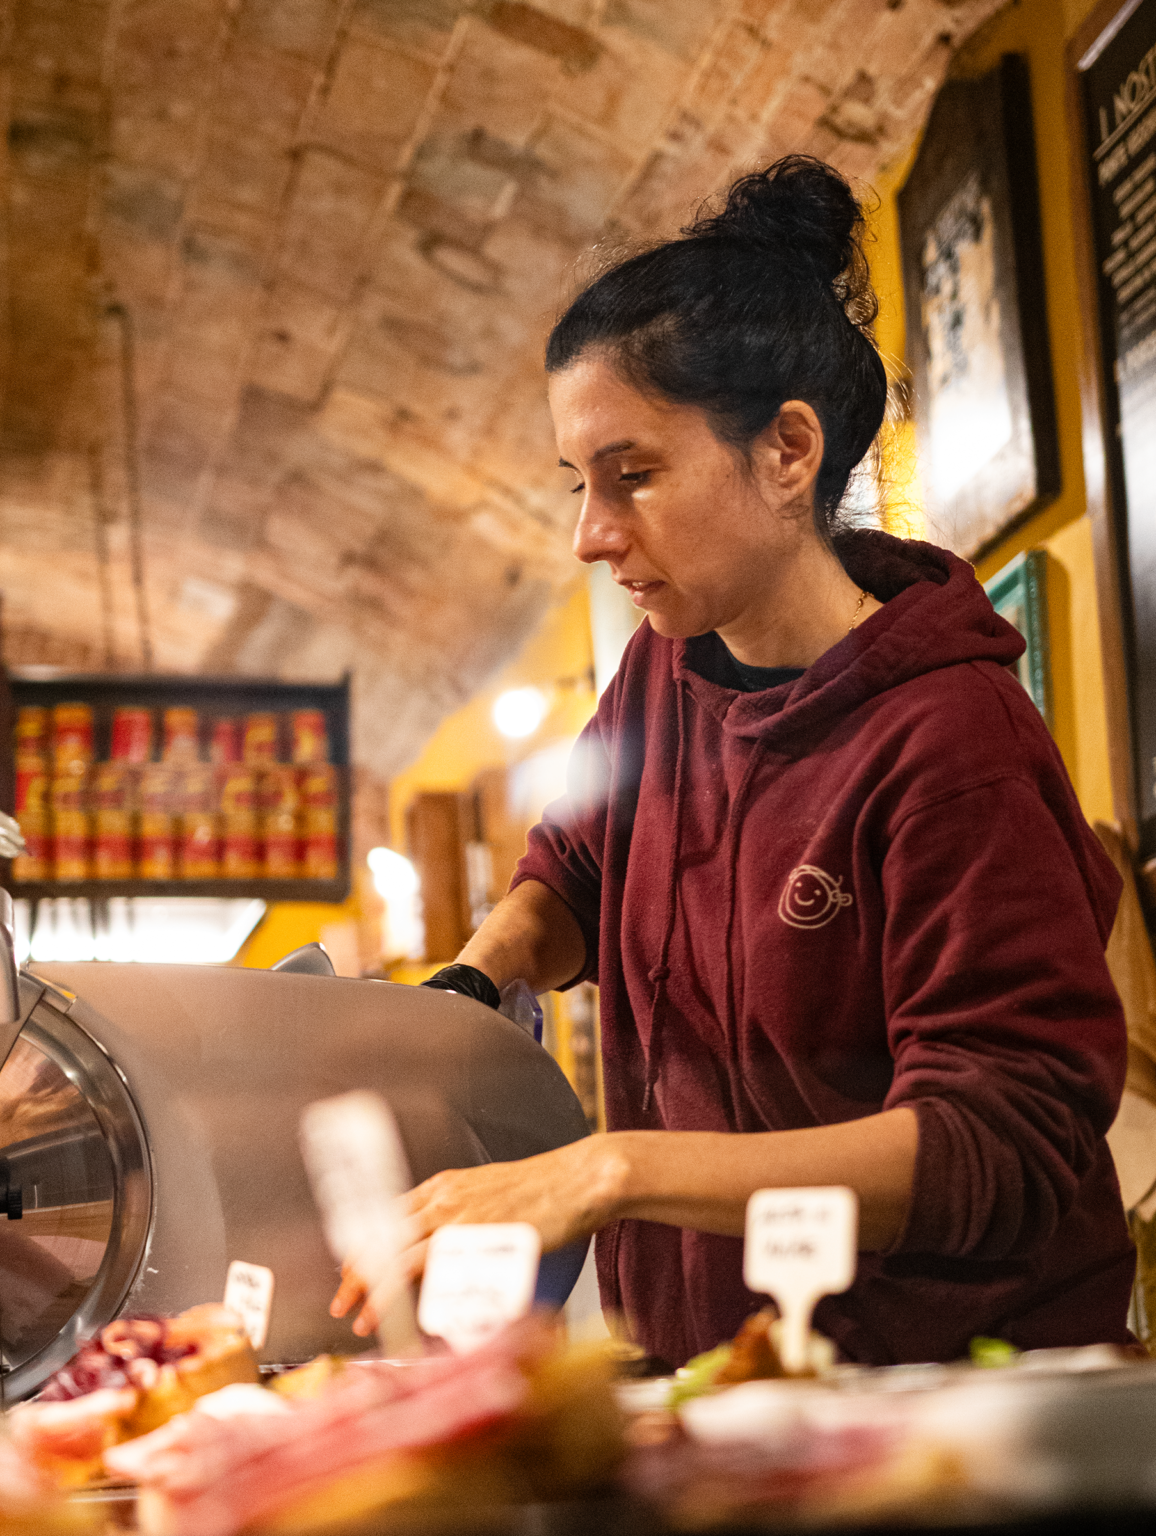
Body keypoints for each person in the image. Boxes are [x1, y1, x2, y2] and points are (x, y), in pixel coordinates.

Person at [334, 155, 1133, 1368]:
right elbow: (576, 864)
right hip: (723, 1380)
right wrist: (474, 979)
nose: (590, 535)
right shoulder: (666, 668)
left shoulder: (949, 741)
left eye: (632, 476)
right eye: (579, 484)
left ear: (787, 452)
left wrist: (609, 1173)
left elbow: (1001, 1140)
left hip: (943, 1399)